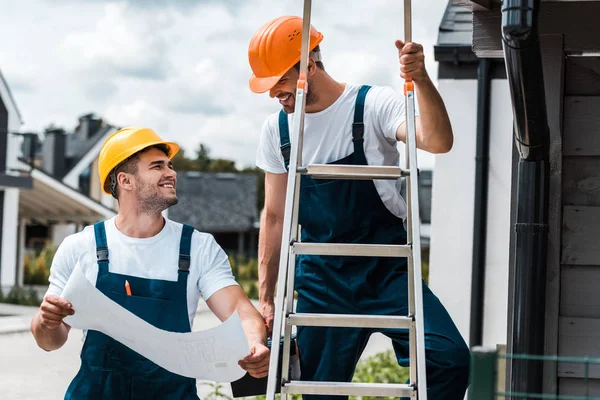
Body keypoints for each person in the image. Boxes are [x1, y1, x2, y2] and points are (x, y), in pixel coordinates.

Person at [247, 16, 470, 400]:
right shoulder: (278, 131)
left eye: (280, 83)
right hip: (321, 277)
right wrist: (266, 298)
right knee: (319, 391)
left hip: (386, 267)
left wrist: (421, 80)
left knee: (447, 358)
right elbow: (275, 216)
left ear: (309, 66)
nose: (275, 95)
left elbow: (438, 141)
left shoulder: (373, 105)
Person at [30, 127, 270, 399]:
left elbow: (240, 310)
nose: (171, 173)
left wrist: (255, 343)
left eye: (170, 165)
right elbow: (49, 342)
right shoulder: (81, 247)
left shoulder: (197, 247)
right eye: (157, 166)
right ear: (126, 180)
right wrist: (47, 322)